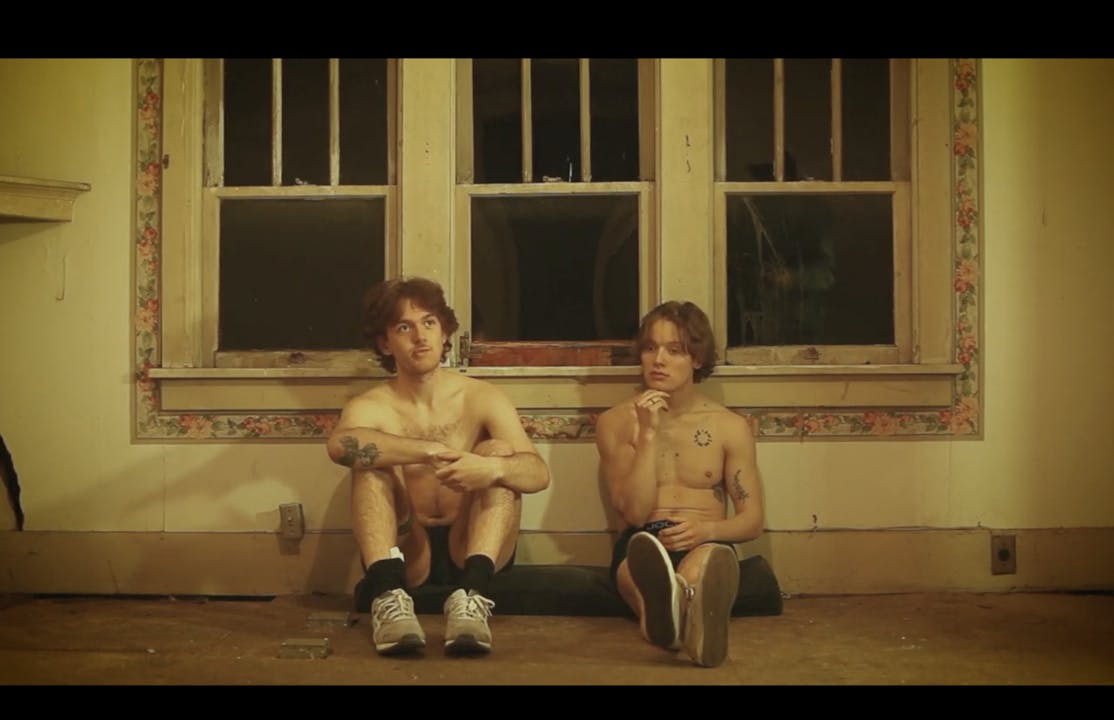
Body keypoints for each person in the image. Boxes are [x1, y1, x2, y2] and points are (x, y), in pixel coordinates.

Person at [326, 276, 551, 656]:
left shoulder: (481, 397)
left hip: (472, 542)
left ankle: (473, 596)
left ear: (444, 332)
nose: (420, 336)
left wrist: (490, 469)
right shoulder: (372, 405)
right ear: (385, 343)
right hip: (409, 548)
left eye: (429, 323)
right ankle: (389, 596)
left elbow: (538, 474)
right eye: (404, 327)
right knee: (371, 463)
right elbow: (340, 447)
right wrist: (427, 451)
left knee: (499, 453)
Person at [595, 300, 764, 667]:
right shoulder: (615, 422)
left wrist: (706, 530)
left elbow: (752, 521)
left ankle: (674, 613)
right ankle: (686, 617)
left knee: (698, 570)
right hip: (642, 542)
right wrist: (649, 436)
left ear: (697, 359)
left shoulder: (728, 426)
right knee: (643, 575)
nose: (658, 360)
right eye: (650, 348)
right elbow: (634, 513)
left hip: (705, 540)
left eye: (674, 350)